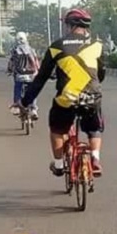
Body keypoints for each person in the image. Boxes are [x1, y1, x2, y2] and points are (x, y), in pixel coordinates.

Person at [20, 9, 106, 176]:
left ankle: (59, 164)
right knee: (94, 128)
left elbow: (41, 79)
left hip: (66, 99)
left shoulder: (56, 46)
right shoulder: (97, 46)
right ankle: (95, 159)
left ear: (70, 25)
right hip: (92, 96)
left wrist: (24, 102)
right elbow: (100, 74)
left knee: (57, 130)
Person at [7, 31, 40, 119]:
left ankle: (17, 106)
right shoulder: (31, 49)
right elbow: (36, 60)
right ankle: (33, 109)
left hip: (20, 74)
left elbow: (11, 62)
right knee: (32, 92)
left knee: (17, 89)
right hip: (32, 74)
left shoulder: (15, 50)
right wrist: (37, 70)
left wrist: (9, 70)